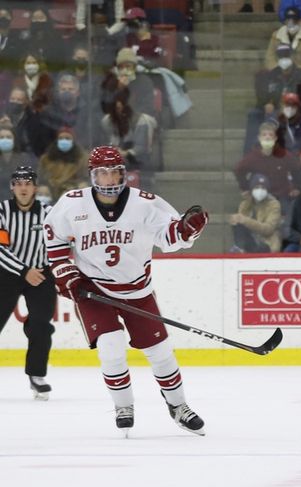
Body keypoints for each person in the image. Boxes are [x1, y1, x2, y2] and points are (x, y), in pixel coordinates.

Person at [44, 146, 209, 434]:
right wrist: (64, 271)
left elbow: (169, 237)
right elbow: (55, 239)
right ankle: (123, 406)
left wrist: (186, 230)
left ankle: (178, 406)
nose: (109, 179)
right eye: (103, 173)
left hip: (137, 290)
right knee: (111, 347)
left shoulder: (145, 203)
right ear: (93, 175)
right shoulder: (72, 204)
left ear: (123, 174)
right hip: (93, 289)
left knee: (160, 352)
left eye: (115, 172)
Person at [0, 166, 55, 399]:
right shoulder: (2, 211)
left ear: (35, 187)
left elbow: (62, 242)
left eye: (28, 183)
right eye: (19, 183)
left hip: (40, 275)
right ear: (12, 187)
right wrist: (23, 271)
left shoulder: (49, 213)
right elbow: (0, 249)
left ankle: (36, 375)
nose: (23, 188)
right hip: (6, 274)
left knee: (40, 325)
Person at [230, 173, 283, 253]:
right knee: (238, 223)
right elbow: (241, 224)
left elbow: (268, 229)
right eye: (257, 187)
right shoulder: (245, 204)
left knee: (262, 248)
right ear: (252, 189)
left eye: (263, 188)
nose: (260, 190)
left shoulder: (274, 204)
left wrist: (245, 220)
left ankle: (241, 250)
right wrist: (247, 202)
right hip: (250, 243)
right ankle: (239, 248)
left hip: (266, 245)